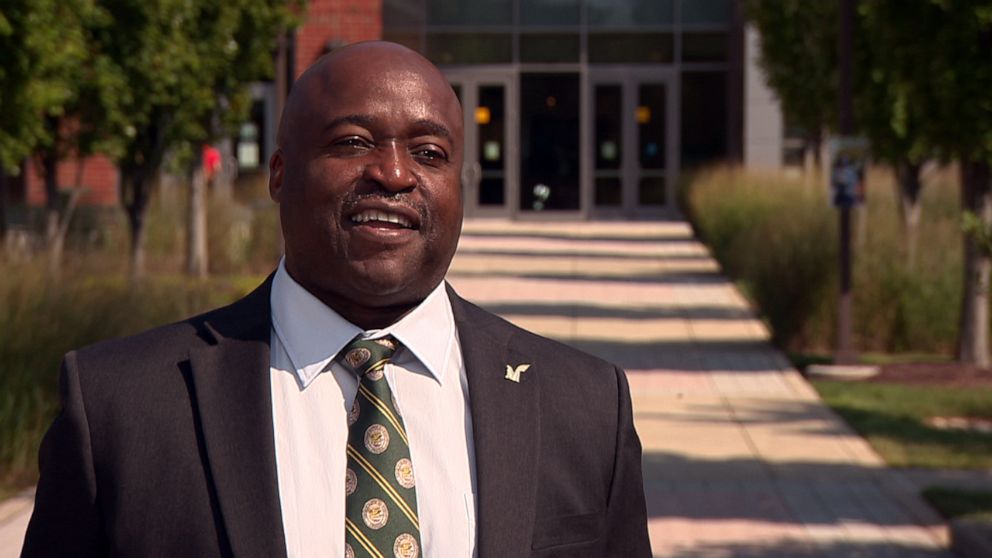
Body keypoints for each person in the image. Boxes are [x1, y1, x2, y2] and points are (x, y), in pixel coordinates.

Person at [22, 41, 650, 558]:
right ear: (278, 173)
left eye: (429, 153)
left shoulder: (585, 407)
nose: (395, 174)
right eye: (353, 143)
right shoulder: (120, 406)